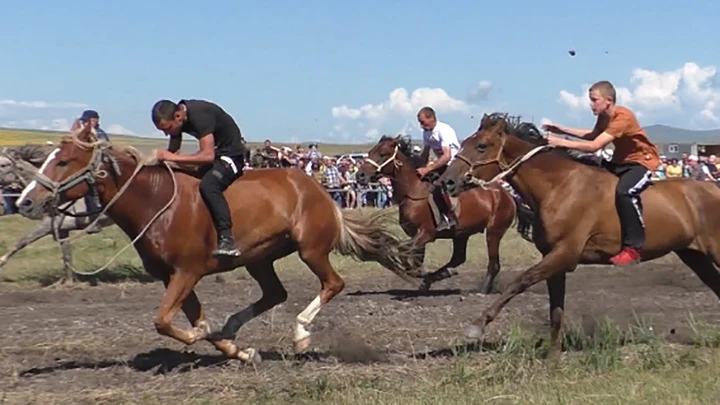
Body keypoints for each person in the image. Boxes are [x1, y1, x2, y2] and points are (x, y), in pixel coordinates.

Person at [542, 80, 661, 266]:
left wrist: (560, 142)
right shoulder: (604, 117)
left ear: (609, 100)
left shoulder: (623, 117)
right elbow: (592, 135)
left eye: (594, 100)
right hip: (619, 162)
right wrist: (562, 130)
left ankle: (633, 248)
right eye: (590, 100)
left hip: (641, 163)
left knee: (625, 192)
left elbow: (594, 146)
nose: (591, 104)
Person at [151, 99, 248, 257]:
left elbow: (207, 156)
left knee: (209, 186)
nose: (166, 134)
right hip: (216, 155)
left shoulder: (200, 115)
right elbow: (172, 154)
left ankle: (227, 239)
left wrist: (169, 157)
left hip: (231, 155)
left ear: (178, 116)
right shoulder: (178, 122)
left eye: (167, 128)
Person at [416, 106, 461, 231]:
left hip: (454, 163)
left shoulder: (444, 130)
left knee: (438, 187)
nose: (421, 125)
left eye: (422, 122)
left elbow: (447, 156)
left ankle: (448, 217)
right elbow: (425, 153)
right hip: (442, 164)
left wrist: (428, 169)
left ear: (431, 118)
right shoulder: (426, 133)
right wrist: (419, 168)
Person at [71, 109, 109, 233]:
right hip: (90, 167)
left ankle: (94, 222)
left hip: (100, 168)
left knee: (89, 189)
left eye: (86, 121)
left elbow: (101, 152)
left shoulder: (99, 134)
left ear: (94, 120)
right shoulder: (88, 134)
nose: (84, 124)